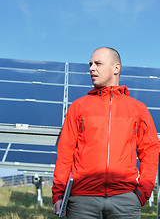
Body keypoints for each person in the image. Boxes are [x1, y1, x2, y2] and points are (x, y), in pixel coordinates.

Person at [52, 47, 159, 218]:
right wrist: (58, 194)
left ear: (116, 68)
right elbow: (65, 153)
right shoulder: (78, 107)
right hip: (82, 201)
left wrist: (141, 194)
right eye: (90, 64)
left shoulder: (138, 109)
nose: (91, 68)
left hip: (125, 201)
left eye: (98, 63)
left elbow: (150, 152)